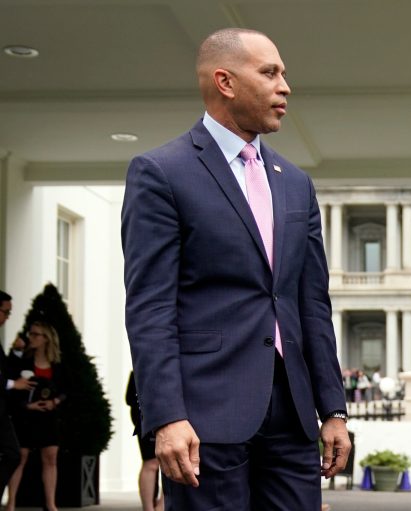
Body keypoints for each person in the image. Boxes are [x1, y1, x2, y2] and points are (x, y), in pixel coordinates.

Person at [121, 28, 350, 510]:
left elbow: (312, 303)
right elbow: (150, 307)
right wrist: (166, 417)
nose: (285, 86)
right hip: (204, 418)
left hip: (292, 415)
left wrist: (333, 409)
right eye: (270, 73)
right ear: (225, 81)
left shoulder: (297, 184)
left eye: (283, 74)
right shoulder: (161, 172)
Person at [6, 321, 66, 511]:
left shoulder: (58, 365)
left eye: (35, 334)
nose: (30, 337)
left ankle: (50, 504)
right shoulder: (22, 360)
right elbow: (11, 387)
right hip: (26, 416)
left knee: (50, 458)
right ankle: (11, 502)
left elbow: (68, 390)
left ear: (46, 339)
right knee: (20, 457)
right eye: (30, 334)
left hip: (48, 418)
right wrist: (27, 405)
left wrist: (54, 402)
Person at [0, 292, 35, 505]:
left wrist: (17, 353)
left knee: (12, 454)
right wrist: (13, 384)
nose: (8, 317)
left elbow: (4, 371)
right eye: (6, 311)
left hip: (3, 411)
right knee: (12, 454)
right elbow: (5, 378)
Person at [126, 371, 163, 511]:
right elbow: (130, 399)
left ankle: (161, 506)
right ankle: (149, 508)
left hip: (169, 419)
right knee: (150, 462)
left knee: (170, 462)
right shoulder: (139, 370)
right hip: (146, 421)